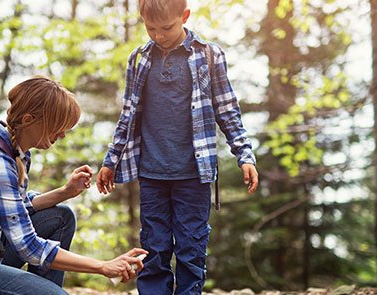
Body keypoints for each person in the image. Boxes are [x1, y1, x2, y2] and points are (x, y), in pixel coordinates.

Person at [0, 76, 147, 295]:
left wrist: (66, 192)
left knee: (61, 217)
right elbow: (27, 245)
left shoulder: (16, 153)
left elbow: (19, 208)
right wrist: (103, 266)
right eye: (59, 125)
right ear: (28, 120)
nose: (63, 135)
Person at [95, 0, 259, 294]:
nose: (158, 35)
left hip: (193, 174)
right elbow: (129, 115)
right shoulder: (138, 59)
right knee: (154, 249)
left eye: (166, 27)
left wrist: (244, 155)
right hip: (151, 173)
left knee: (191, 247)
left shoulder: (209, 55)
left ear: (184, 17)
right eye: (150, 28)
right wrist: (111, 161)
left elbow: (227, 111)